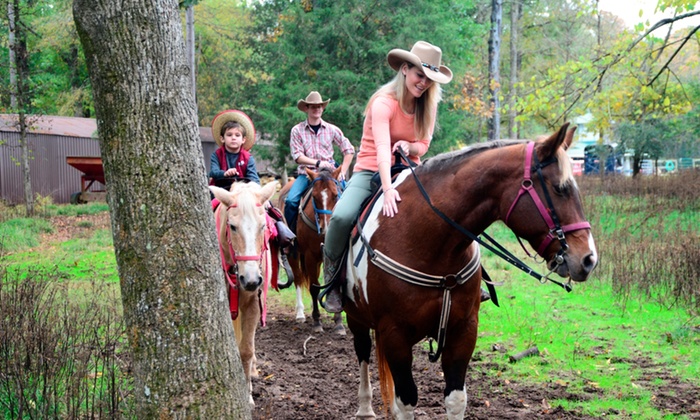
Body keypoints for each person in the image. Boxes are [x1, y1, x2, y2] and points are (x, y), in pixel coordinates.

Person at [321, 41, 453, 313]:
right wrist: (387, 187)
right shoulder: (383, 103)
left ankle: (461, 278)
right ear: (405, 69)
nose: (424, 83)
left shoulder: (428, 104)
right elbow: (382, 149)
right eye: (420, 75)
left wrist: (410, 147)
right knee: (341, 217)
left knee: (445, 211)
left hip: (410, 169)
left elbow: (424, 145)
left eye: (429, 79)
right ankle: (332, 278)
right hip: (370, 168)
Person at [209, 109, 296, 278]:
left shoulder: (248, 158)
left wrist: (249, 190)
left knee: (270, 209)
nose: (233, 138)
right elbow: (212, 172)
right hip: (223, 192)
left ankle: (280, 240)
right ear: (222, 138)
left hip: (245, 194)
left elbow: (254, 179)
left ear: (243, 139)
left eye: (237, 135)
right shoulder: (216, 155)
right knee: (208, 209)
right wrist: (224, 174)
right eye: (229, 135)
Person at [284, 91, 355, 233]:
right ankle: (291, 238)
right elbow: (297, 156)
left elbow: (349, 150)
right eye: (312, 106)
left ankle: (351, 236)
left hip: (329, 174)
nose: (316, 109)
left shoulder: (332, 129)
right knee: (291, 201)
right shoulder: (297, 130)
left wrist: (342, 172)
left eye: (319, 106)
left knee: (350, 202)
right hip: (307, 174)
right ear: (306, 109)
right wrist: (317, 163)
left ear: (323, 108)